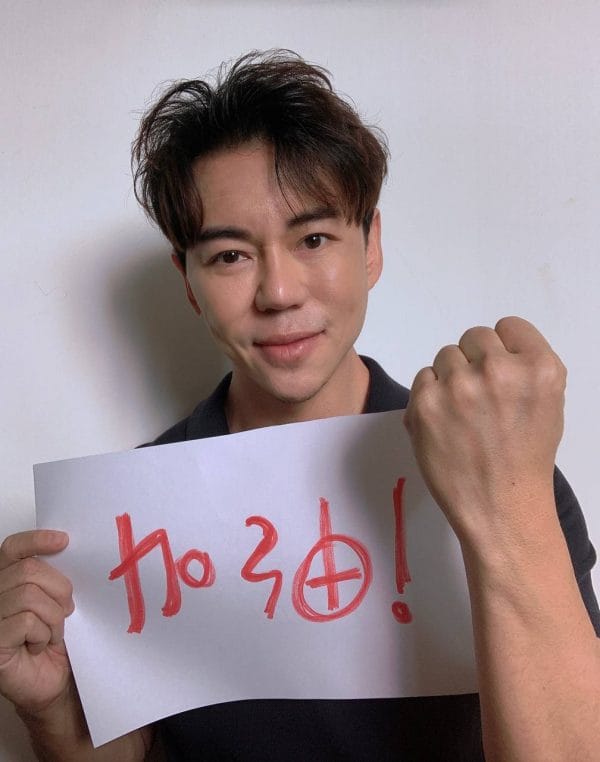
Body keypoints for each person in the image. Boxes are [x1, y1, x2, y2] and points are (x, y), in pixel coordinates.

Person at [0, 50, 598, 762]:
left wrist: (509, 513)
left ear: (370, 246)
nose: (279, 292)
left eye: (313, 238)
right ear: (188, 282)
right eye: (229, 256)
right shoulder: (127, 522)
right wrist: (53, 715)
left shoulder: (499, 469)